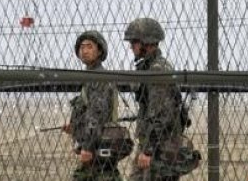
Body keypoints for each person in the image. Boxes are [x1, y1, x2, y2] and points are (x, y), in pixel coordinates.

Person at [124, 17, 195, 180]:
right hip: (153, 144)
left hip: (159, 147)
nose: (131, 47)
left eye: (134, 42)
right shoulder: (149, 68)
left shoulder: (157, 69)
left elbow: (161, 115)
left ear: (146, 43)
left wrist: (148, 151)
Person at [65, 30, 123, 180]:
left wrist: (88, 148)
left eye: (89, 46)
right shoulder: (90, 77)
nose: (84, 51)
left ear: (99, 51)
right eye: (82, 47)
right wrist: (75, 126)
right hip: (97, 147)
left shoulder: (99, 78)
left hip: (98, 147)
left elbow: (97, 115)